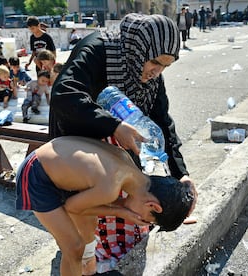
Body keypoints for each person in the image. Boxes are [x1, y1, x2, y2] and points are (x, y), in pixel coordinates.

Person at [49, 13, 197, 274]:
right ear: (140, 49)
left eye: (165, 67)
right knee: (86, 215)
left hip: (115, 152)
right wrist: (114, 126)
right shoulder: (97, 50)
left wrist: (181, 174)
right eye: (154, 62)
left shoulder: (151, 77)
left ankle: (112, 250)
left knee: (127, 194)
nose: (157, 72)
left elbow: (161, 120)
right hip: (80, 147)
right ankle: (85, 254)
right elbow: (64, 94)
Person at [16, 136, 195, 276]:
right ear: (153, 206)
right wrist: (121, 211)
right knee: (74, 247)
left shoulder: (127, 166)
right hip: (36, 175)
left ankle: (89, 272)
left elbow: (92, 203)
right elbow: (71, 207)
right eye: (146, 219)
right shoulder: (111, 185)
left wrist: (122, 209)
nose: (138, 220)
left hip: (58, 168)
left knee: (89, 225)